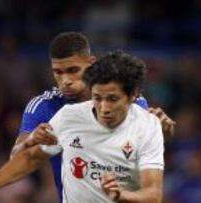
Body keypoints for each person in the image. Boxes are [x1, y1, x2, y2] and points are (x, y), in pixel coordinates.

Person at [0, 50, 164, 203]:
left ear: (132, 97)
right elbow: (30, 157)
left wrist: (122, 195)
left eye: (112, 99)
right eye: (97, 98)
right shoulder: (68, 117)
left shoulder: (147, 126)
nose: (104, 108)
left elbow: (153, 195)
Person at [11, 32, 175, 202]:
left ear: (91, 64)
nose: (65, 80)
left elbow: (148, 145)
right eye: (58, 72)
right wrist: (32, 139)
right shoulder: (43, 106)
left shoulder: (130, 101)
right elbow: (15, 157)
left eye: (73, 70)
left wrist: (164, 132)